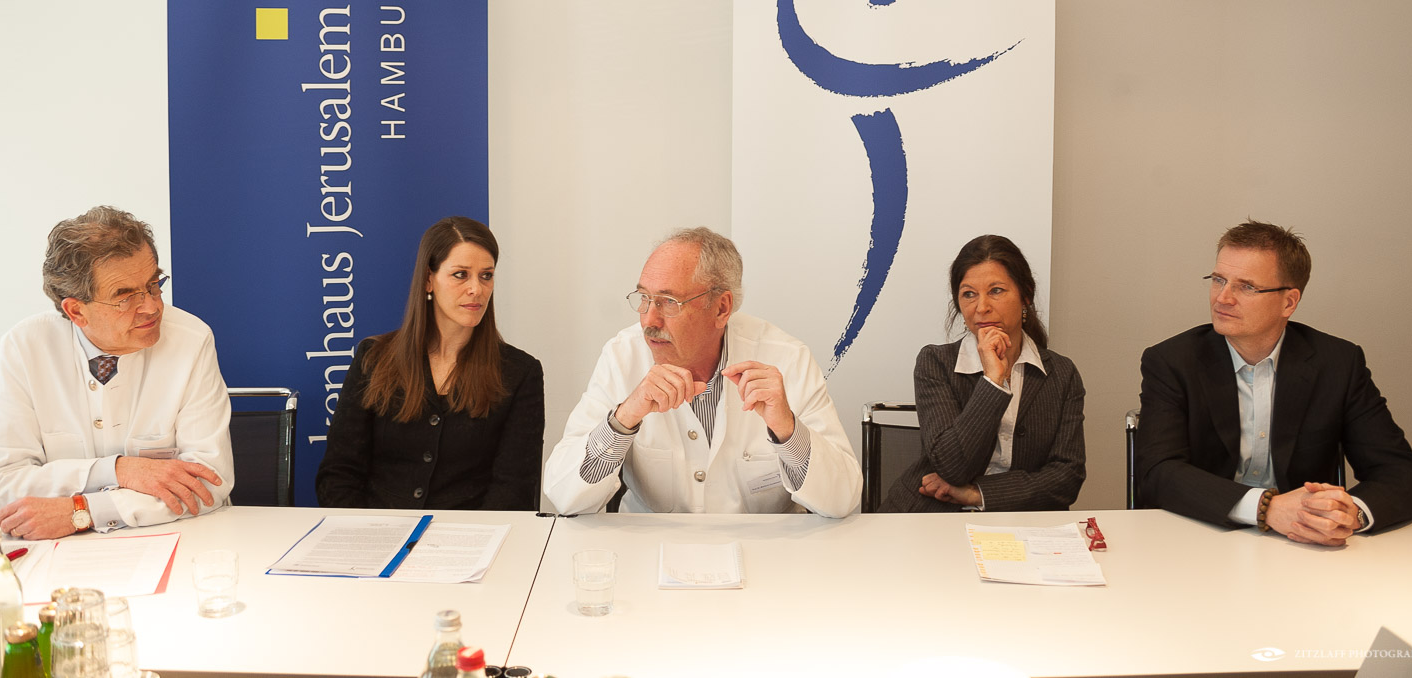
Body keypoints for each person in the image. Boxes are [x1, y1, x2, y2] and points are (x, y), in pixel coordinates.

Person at [1136, 220, 1412, 544]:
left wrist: (1350, 513)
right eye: (1218, 280)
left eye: (1246, 287)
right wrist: (1266, 508)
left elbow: (1404, 475)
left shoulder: (1337, 363)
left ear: (1289, 302)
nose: (1223, 298)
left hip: (1303, 544)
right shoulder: (1172, 361)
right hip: (1199, 538)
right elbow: (1158, 473)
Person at [544, 227, 861, 516]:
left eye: (669, 302)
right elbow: (564, 496)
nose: (649, 321)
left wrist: (787, 430)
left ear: (721, 308)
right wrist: (623, 418)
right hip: (649, 548)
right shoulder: (623, 356)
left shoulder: (787, 359)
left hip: (767, 550)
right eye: (644, 298)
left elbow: (842, 499)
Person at [0, 206, 233, 538]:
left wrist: (83, 511)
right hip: (57, 555)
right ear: (76, 311)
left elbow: (208, 482)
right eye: (125, 297)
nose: (152, 306)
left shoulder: (191, 340)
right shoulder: (25, 347)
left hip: (178, 540)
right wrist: (118, 470)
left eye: (153, 285)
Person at [316, 217, 544, 510]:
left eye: (486, 276)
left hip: (473, 534)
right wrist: (366, 531)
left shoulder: (520, 372)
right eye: (461, 275)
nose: (476, 289)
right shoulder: (374, 358)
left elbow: (514, 489)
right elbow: (338, 475)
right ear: (428, 280)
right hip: (377, 531)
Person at [881, 235, 1086, 512]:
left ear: (1026, 295)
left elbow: (1067, 478)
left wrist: (977, 494)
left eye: (996, 291)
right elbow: (952, 467)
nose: (981, 308)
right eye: (969, 294)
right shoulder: (935, 362)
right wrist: (993, 381)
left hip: (1021, 521)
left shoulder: (1061, 374)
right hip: (930, 515)